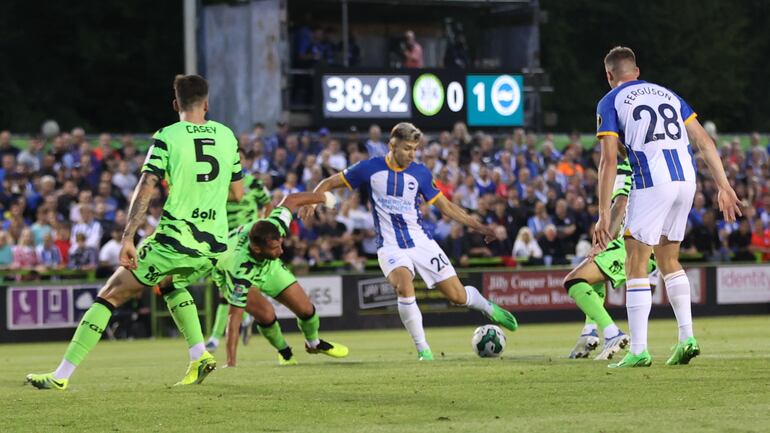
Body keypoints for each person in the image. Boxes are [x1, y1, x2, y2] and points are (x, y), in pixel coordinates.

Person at [26, 74, 244, 390]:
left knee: (111, 292)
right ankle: (200, 356)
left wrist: (128, 236)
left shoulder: (168, 136)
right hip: (214, 243)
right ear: (206, 104)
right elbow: (237, 193)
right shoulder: (227, 136)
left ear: (175, 104)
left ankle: (60, 376)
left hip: (177, 239)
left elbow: (146, 185)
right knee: (170, 284)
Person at [304, 122, 517, 361]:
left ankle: (488, 308)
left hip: (421, 242)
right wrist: (312, 200)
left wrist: (480, 226)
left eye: (415, 148)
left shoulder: (421, 173)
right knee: (404, 285)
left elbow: (446, 207)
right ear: (392, 145)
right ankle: (423, 350)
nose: (412, 154)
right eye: (407, 148)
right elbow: (329, 183)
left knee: (458, 297)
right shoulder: (369, 168)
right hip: (390, 246)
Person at [594, 47, 740, 368]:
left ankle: (639, 350)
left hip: (652, 181)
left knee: (636, 262)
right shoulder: (669, 94)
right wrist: (724, 186)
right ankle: (687, 337)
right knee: (669, 259)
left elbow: (607, 160)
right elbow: (704, 141)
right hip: (686, 181)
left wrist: (604, 212)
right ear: (637, 71)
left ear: (609, 76)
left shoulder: (610, 101)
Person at [217, 191, 348, 367]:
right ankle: (285, 352)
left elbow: (292, 199)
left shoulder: (275, 225)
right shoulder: (239, 271)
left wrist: (324, 198)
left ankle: (313, 343)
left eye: (280, 244)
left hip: (268, 266)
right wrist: (231, 362)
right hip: (229, 274)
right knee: (267, 315)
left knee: (306, 310)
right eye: (274, 248)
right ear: (256, 249)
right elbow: (234, 318)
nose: (281, 251)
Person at [563, 157, 658, 360]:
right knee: (592, 277)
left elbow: (621, 203)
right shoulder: (652, 160)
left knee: (574, 281)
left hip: (629, 242)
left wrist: (603, 243)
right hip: (650, 243)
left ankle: (612, 333)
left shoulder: (627, 162)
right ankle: (589, 332)